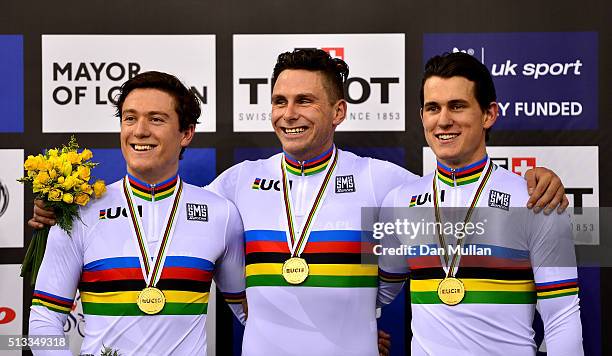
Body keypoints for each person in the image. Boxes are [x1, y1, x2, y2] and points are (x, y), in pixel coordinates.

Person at [30, 50, 568, 355]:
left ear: (338, 112)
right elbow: (162, 213)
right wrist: (56, 217)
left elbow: (459, 196)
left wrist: (542, 185)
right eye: (280, 101)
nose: (290, 113)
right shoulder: (232, 189)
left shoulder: (386, 183)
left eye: (305, 100)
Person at [377, 52, 583, 355]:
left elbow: (562, 316)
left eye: (457, 106)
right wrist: (356, 336)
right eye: (433, 108)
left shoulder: (535, 199)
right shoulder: (399, 200)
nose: (443, 120)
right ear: (422, 116)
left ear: (489, 114)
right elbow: (372, 294)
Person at [28, 71, 246, 356]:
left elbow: (251, 313)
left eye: (156, 119)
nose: (139, 130)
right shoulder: (81, 211)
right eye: (130, 118)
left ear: (187, 133)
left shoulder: (219, 213)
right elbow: (44, 319)